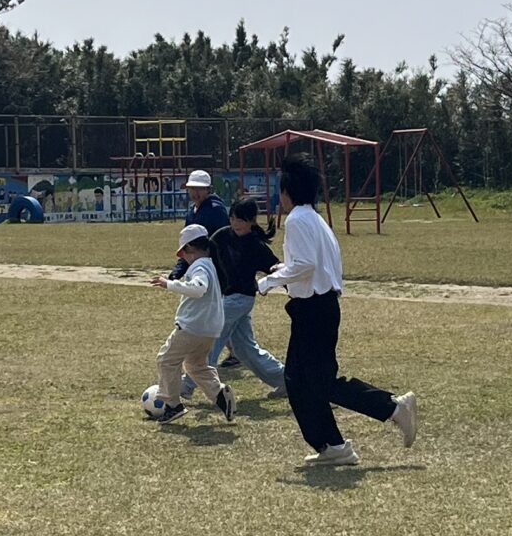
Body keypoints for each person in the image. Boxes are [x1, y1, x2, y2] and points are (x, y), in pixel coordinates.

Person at [258, 158, 417, 467]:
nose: (280, 197)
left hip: (313, 309)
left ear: (288, 191)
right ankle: (333, 445)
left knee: (317, 382)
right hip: (319, 306)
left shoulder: (297, 220)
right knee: (299, 381)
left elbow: (306, 265)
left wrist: (268, 281)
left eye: (281, 190)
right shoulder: (315, 220)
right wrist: (284, 270)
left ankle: (391, 408)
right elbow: (314, 264)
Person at [180, 197, 288, 399]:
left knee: (213, 337)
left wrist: (292, 287)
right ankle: (286, 380)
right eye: (233, 218)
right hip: (226, 297)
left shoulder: (256, 245)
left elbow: (277, 270)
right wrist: (181, 271)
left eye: (241, 219)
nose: (235, 223)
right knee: (244, 349)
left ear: (252, 220)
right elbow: (202, 255)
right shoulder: (222, 236)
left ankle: (186, 385)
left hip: (242, 299)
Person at [150, 224, 234, 422]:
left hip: (192, 326)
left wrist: (169, 284)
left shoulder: (199, 266)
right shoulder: (210, 264)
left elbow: (198, 288)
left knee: (166, 360)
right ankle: (219, 394)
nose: (183, 258)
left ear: (190, 248)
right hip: (209, 329)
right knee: (196, 365)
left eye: (182, 253)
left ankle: (173, 404)